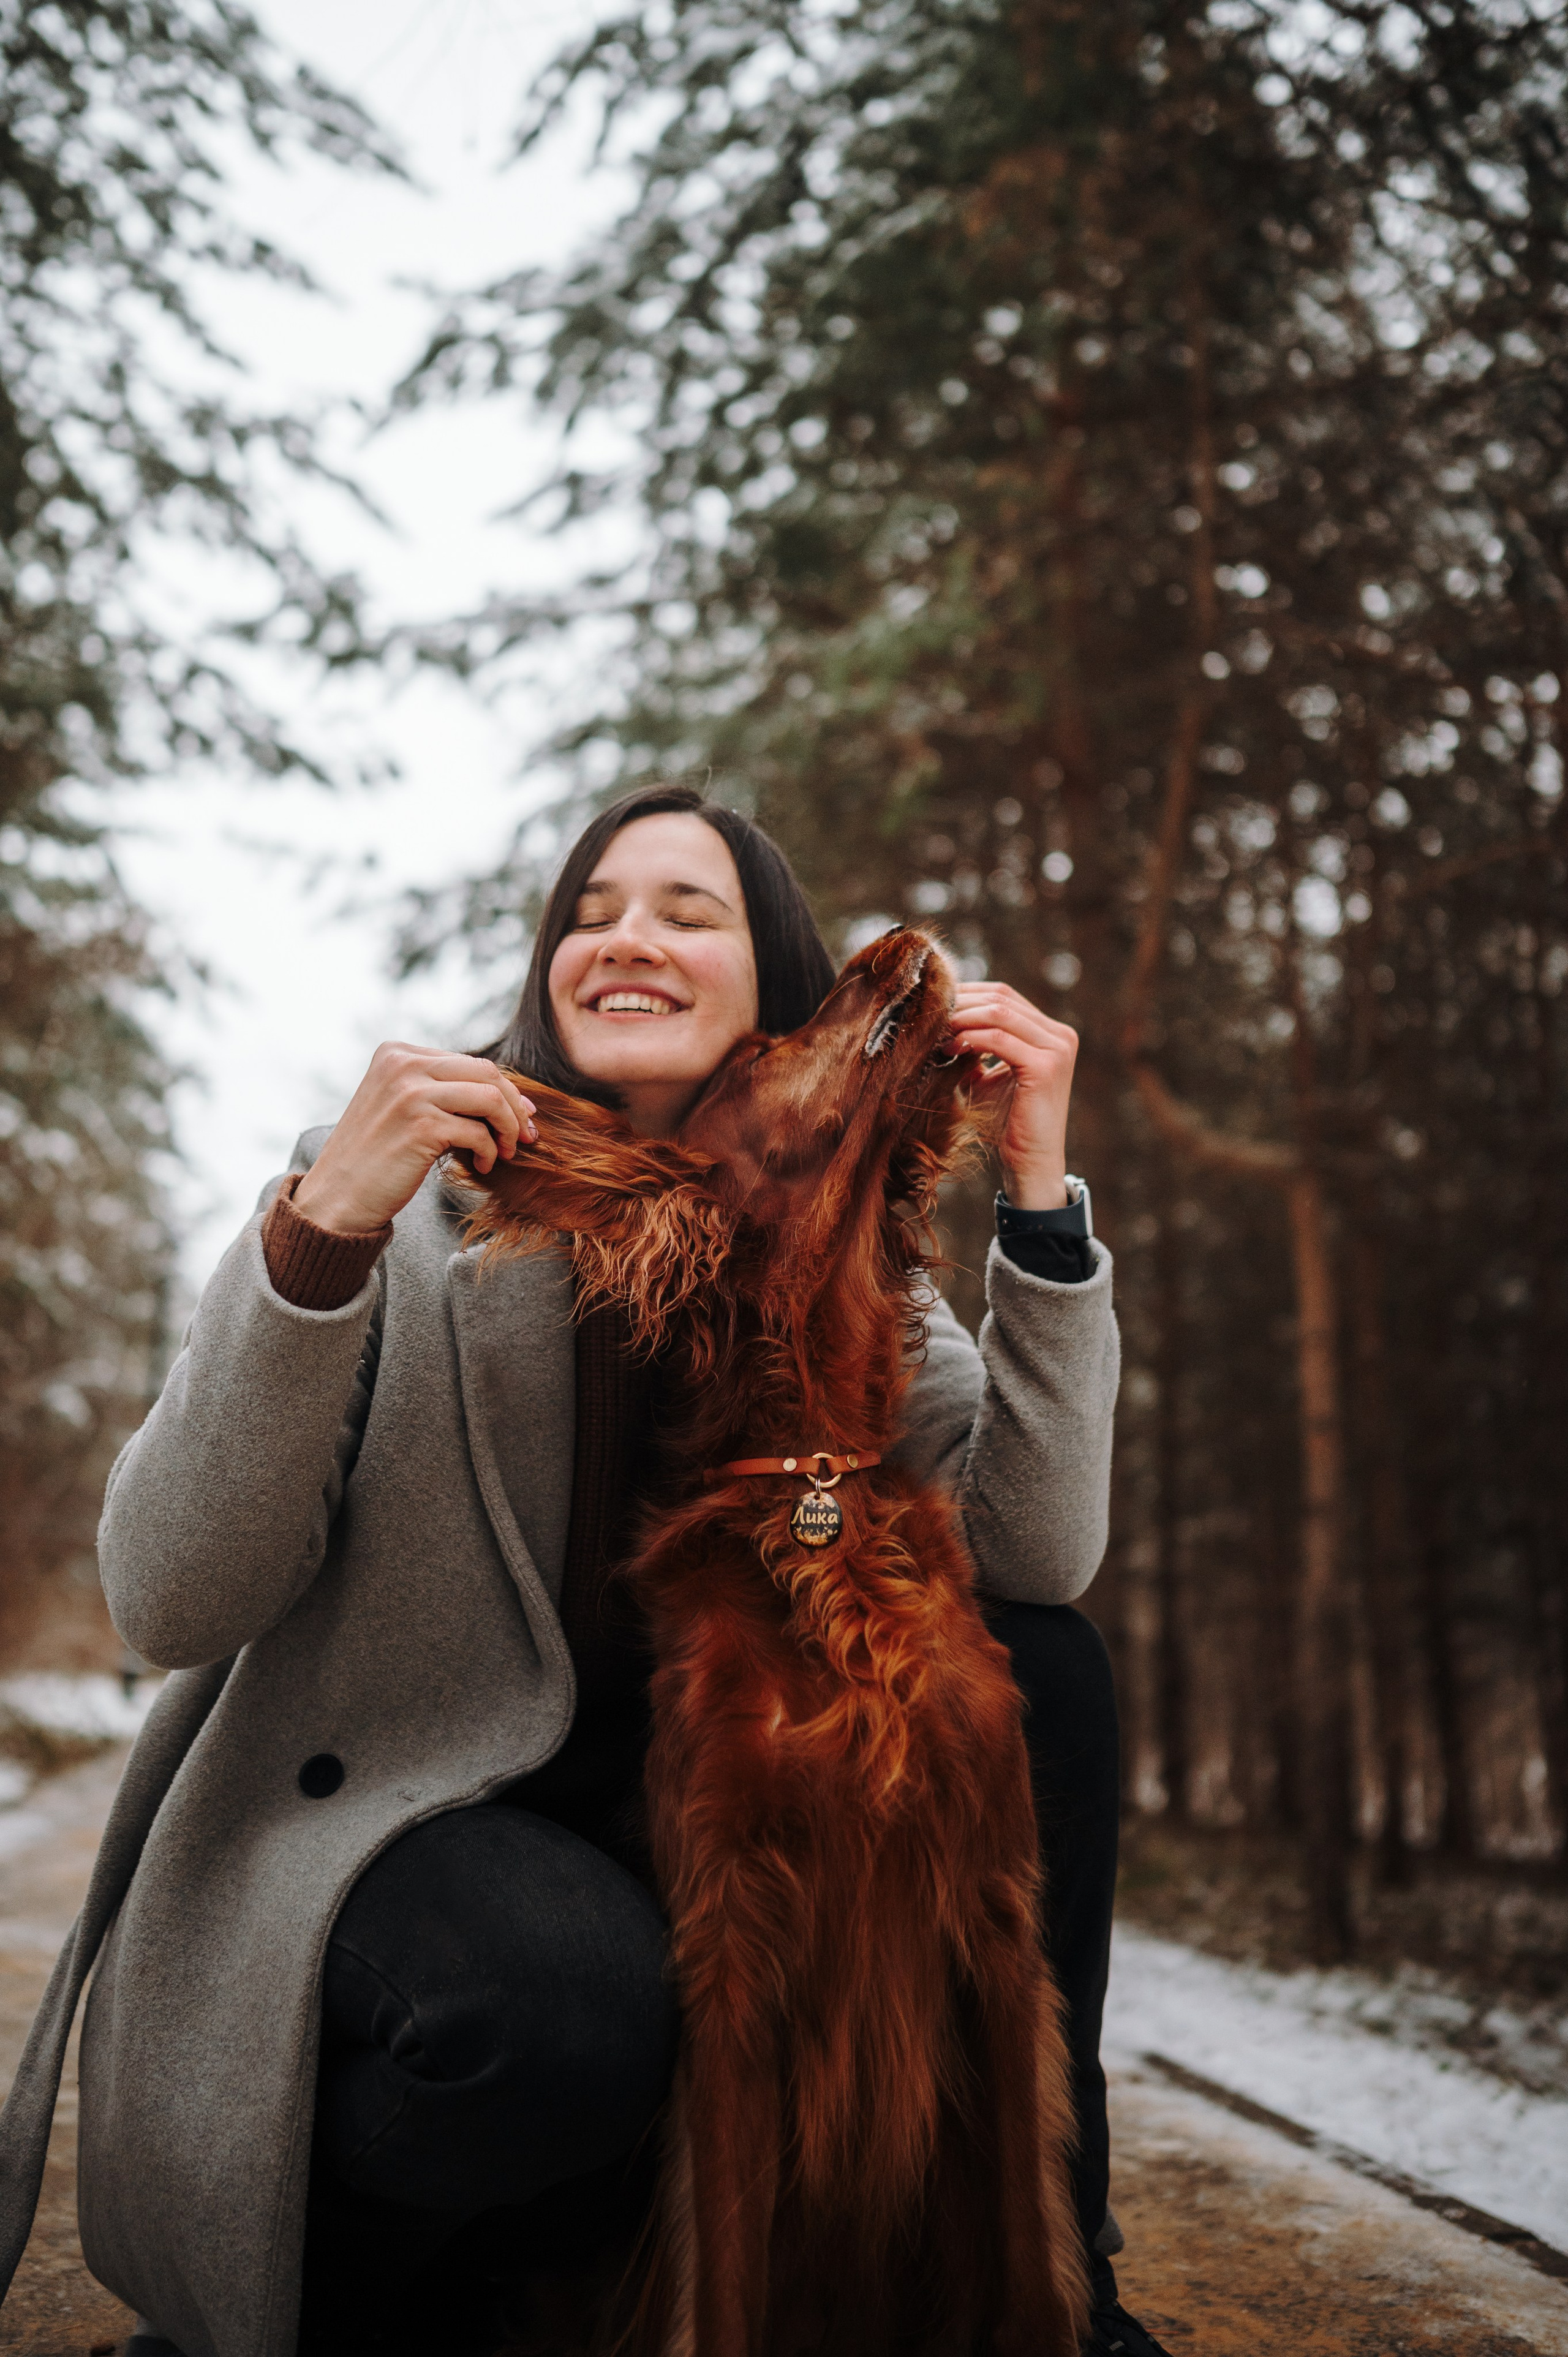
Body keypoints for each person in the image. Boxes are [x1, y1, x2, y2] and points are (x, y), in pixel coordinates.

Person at [0, 786, 1169, 2357]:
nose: (625, 938)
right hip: (388, 1838)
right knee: (561, 1994)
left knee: (1045, 1670)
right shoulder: (407, 1189)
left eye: (689, 912)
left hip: (675, 1838)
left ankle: (1060, 2282)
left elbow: (1037, 1555)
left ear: (779, 989)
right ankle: (293, 2311)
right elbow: (167, 1595)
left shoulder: (835, 1251)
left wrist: (1039, 1207)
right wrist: (323, 1227)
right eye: (592, 911)